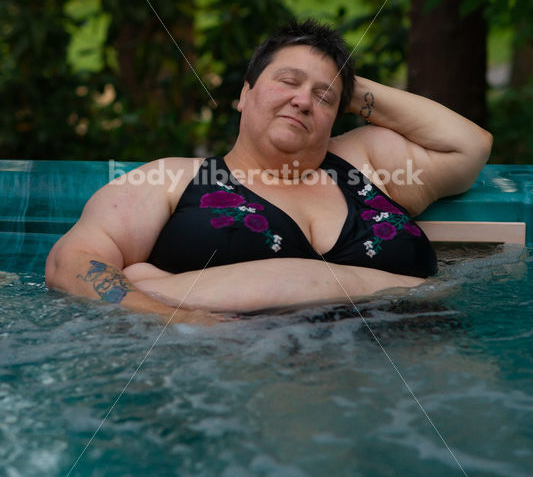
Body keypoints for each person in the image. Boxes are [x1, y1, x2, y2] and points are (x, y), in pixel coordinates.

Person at [45, 20, 492, 324]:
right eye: (288, 81)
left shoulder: (365, 166)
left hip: (409, 375)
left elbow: (469, 146)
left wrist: (348, 85)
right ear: (245, 93)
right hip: (237, 372)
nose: (303, 100)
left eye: (324, 97)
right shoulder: (171, 179)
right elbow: (71, 264)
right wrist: (174, 316)